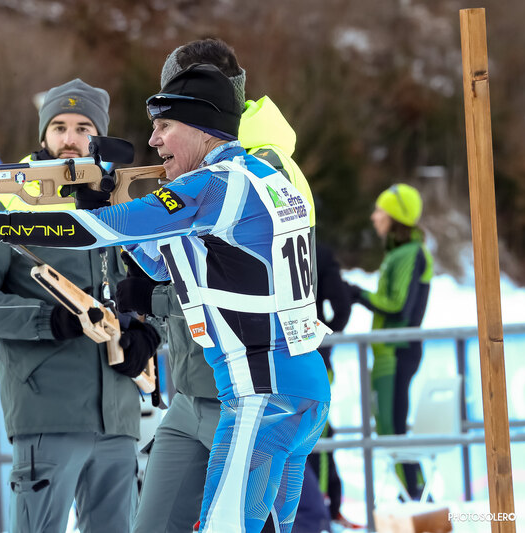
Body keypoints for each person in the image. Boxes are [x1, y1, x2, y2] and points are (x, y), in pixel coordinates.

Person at [0, 63, 331, 533]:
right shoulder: (260, 177)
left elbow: (95, 231)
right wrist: (105, 210)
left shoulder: (214, 184)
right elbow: (164, 265)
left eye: (165, 126)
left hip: (259, 393)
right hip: (295, 385)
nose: (154, 140)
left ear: (202, 127)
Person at [115, 37, 330, 533]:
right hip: (193, 386)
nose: (158, 133)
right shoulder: (197, 158)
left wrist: (156, 300)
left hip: (247, 386)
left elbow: (269, 284)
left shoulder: (258, 167)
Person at [0, 78, 159, 533]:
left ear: (99, 136)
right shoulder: (5, 199)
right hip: (47, 412)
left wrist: (146, 333)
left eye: (83, 128)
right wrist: (49, 320)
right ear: (43, 133)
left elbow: (152, 287)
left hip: (120, 415)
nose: (70, 139)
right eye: (59, 127)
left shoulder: (118, 201)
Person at [346, 183, 433, 501]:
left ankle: (415, 498)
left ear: (396, 216)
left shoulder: (410, 253)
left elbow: (397, 306)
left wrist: (358, 294)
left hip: (397, 352)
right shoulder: (400, 253)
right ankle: (412, 497)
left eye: (380, 210)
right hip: (389, 353)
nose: (374, 217)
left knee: (392, 428)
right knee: (389, 427)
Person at [306, 241, 358, 528]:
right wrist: (324, 339)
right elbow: (342, 307)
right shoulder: (319, 251)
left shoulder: (261, 242)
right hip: (314, 357)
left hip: (274, 357)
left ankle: (322, 507)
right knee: (318, 431)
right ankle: (325, 507)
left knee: (302, 433)